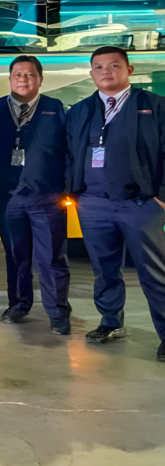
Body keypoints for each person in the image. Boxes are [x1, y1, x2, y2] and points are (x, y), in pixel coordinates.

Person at [65, 46, 165, 361]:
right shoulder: (80, 111)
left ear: (129, 70)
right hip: (93, 203)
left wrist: (161, 198)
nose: (105, 72)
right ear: (91, 73)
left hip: (141, 203)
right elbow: (69, 154)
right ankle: (111, 322)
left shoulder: (154, 107)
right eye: (98, 67)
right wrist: (75, 193)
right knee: (104, 269)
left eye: (113, 66)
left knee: (155, 272)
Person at [0, 56, 71, 334]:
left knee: (51, 257)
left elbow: (68, 151)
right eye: (18, 74)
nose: (23, 79)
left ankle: (58, 312)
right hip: (7, 197)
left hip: (46, 198)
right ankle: (19, 304)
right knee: (16, 256)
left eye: (30, 75)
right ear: (10, 78)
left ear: (40, 78)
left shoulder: (54, 108)